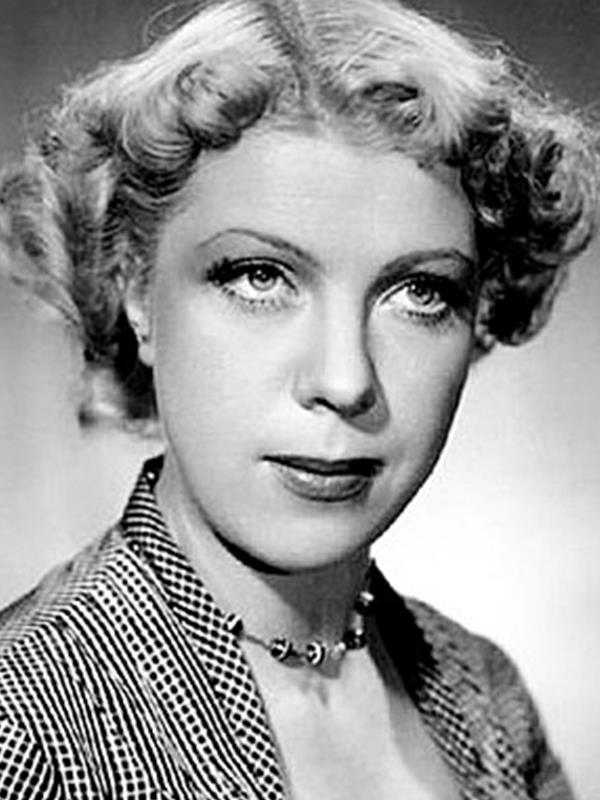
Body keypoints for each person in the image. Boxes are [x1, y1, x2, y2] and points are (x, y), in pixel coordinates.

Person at [0, 0, 596, 797]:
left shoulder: (488, 697)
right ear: (135, 291)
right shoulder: (23, 727)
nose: (345, 381)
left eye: (421, 292)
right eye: (259, 278)